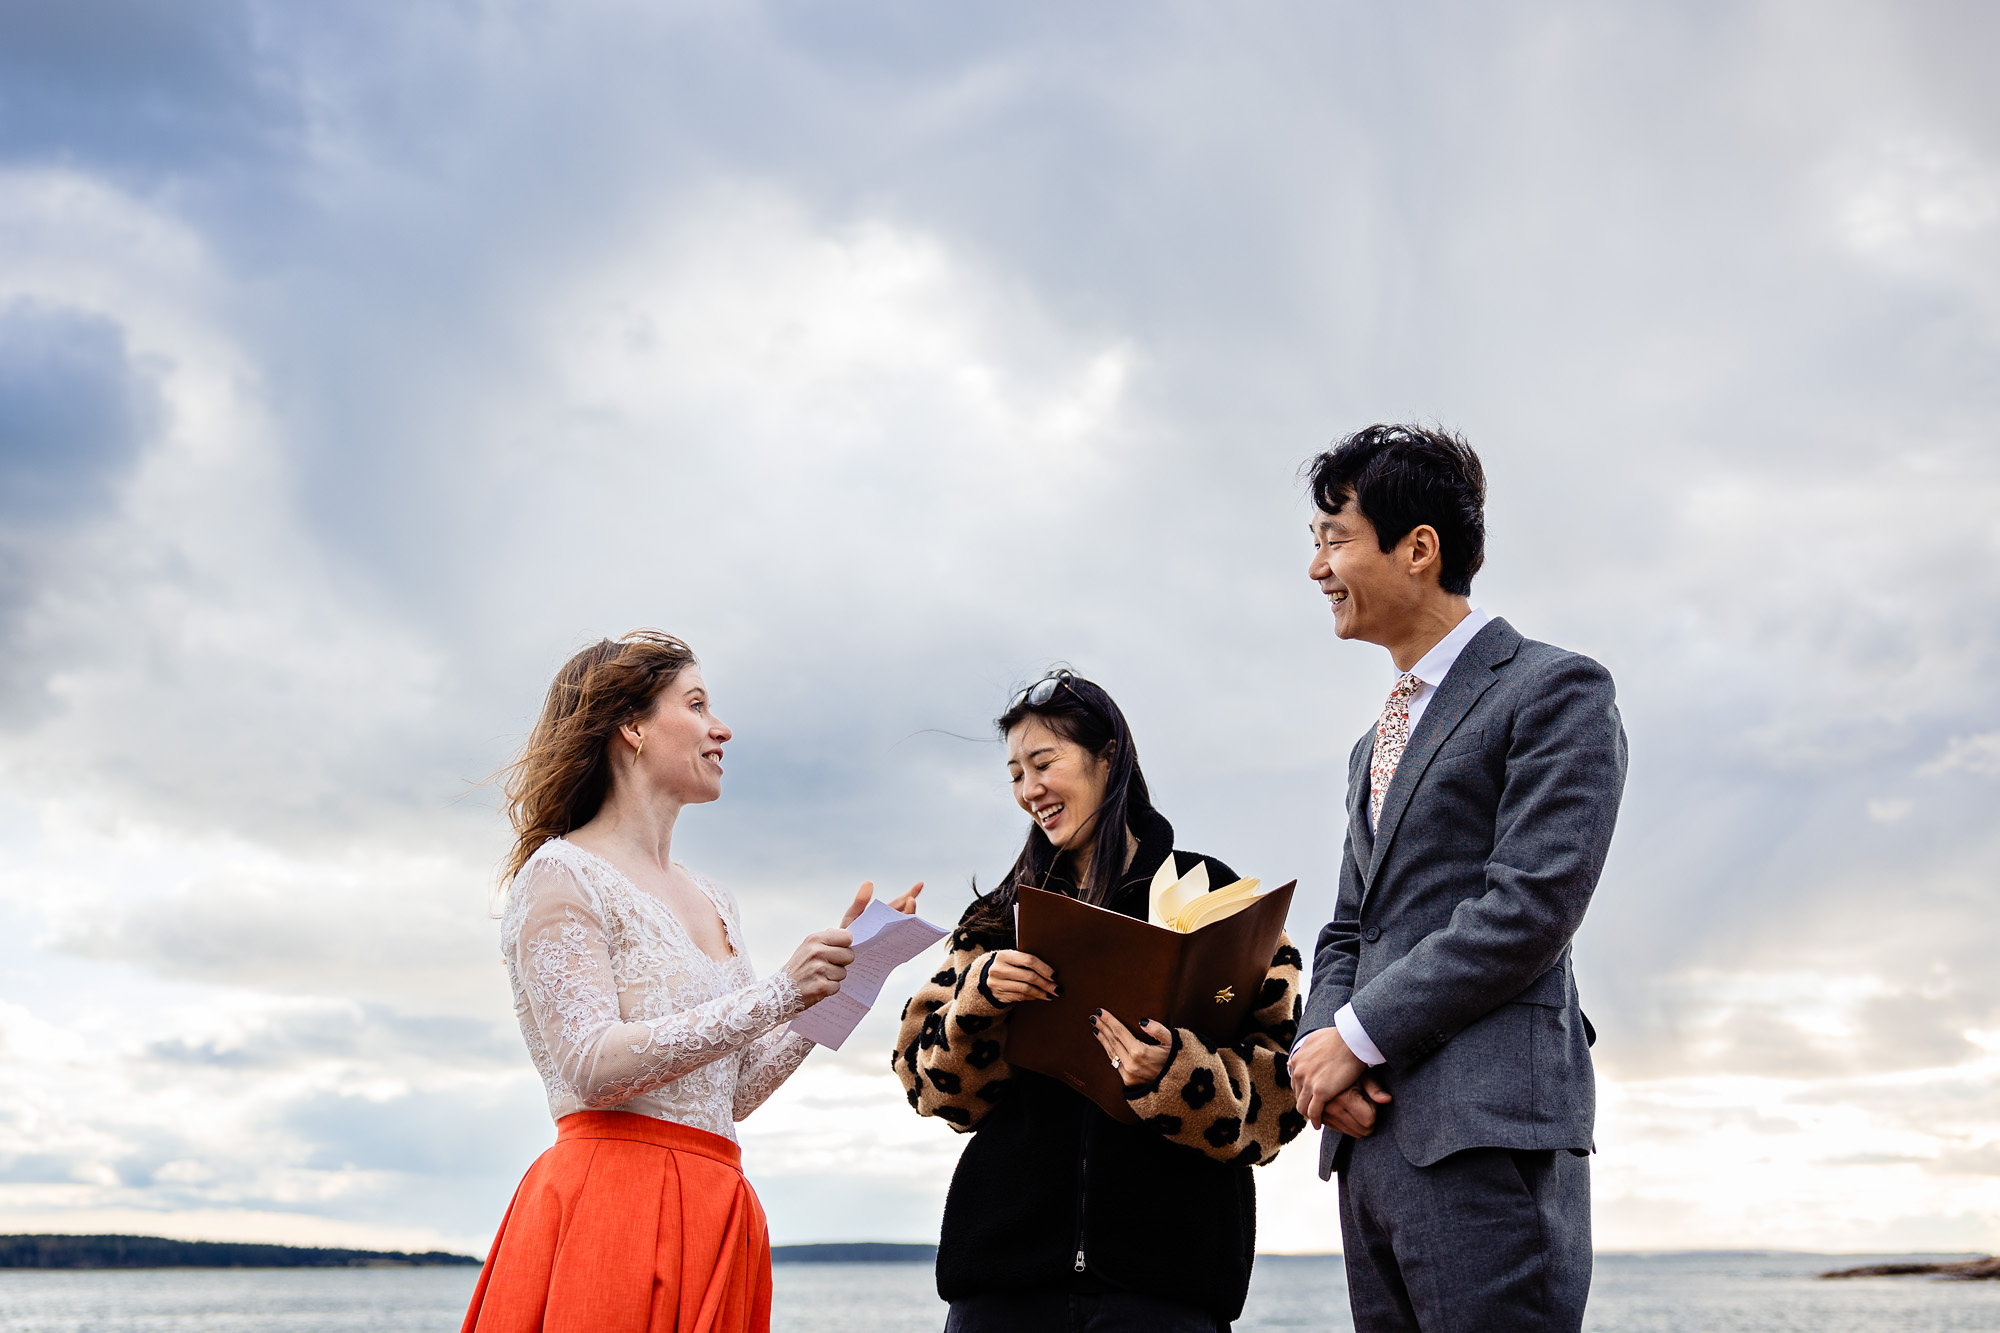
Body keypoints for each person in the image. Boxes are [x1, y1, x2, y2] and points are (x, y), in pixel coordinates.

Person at [462, 630, 920, 1333]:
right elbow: (589, 1067)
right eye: (698, 703)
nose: (722, 727)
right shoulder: (561, 873)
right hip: (609, 1211)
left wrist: (850, 975)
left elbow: (731, 1092)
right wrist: (779, 990)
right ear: (633, 726)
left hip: (718, 1208)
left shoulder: (715, 897)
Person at [1287, 426, 1628, 1332]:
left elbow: (1531, 905)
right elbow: (1346, 931)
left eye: (1333, 538)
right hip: (1369, 1148)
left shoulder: (1555, 689)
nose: (1317, 567)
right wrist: (1321, 1051)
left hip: (1487, 1139)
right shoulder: (1371, 746)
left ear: (1418, 548)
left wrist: (1358, 1035)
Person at [892, 671, 1307, 1332]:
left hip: (1167, 1285)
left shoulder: (1220, 901)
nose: (1030, 789)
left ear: (1107, 757)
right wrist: (978, 1000)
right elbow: (930, 1089)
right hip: (1004, 1285)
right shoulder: (997, 919)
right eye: (1015, 774)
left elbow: (1284, 1097)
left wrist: (1178, 1074)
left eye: (1043, 762)